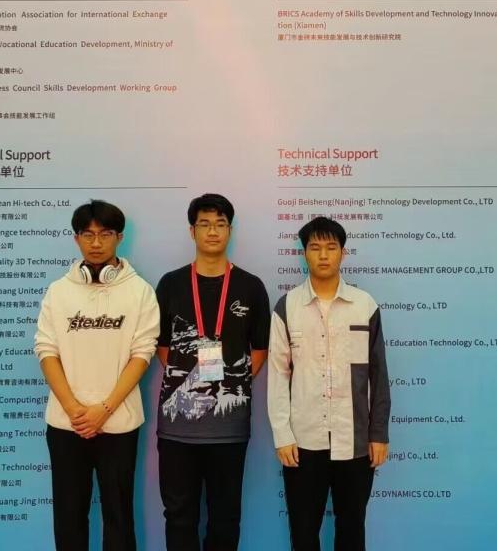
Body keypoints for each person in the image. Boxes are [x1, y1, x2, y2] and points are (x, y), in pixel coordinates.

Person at [34, 199, 160, 551]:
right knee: (68, 515)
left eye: (105, 234)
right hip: (66, 424)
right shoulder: (58, 291)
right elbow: (46, 350)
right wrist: (74, 409)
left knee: (118, 515)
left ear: (119, 237)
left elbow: (142, 354)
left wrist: (103, 409)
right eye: (87, 235)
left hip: (118, 423)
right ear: (76, 239)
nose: (96, 243)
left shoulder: (140, 291)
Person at [154, 193, 271, 551]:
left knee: (225, 517)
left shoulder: (251, 286)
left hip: (229, 427)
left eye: (220, 224)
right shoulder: (171, 284)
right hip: (177, 428)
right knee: (179, 516)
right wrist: (192, 381)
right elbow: (162, 345)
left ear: (230, 231)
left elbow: (259, 349)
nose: (213, 231)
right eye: (204, 224)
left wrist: (229, 381)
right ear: (192, 231)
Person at [268, 216, 391, 551]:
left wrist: (378, 433)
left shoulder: (364, 305)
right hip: (303, 442)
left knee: (351, 531)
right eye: (315, 247)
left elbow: (378, 375)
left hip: (355, 441)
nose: (323, 255)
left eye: (331, 247)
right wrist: (283, 434)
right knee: (303, 533)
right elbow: (278, 375)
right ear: (304, 254)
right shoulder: (287, 307)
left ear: (343, 253)